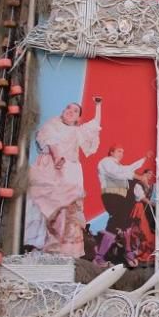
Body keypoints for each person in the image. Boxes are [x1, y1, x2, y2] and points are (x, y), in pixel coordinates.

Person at [26, 99, 101, 257]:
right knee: (45, 206)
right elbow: (46, 140)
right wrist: (56, 156)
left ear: (78, 119)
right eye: (68, 108)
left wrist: (98, 106)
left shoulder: (77, 131)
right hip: (49, 171)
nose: (70, 111)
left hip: (70, 172)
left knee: (68, 210)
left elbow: (94, 125)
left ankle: (66, 251)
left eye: (75, 111)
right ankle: (43, 246)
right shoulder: (52, 124)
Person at [97, 145, 148, 232]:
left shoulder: (119, 165)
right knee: (117, 220)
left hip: (121, 195)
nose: (121, 154)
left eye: (122, 152)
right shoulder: (106, 161)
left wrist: (145, 158)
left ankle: (119, 232)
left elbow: (129, 168)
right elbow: (117, 173)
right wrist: (139, 177)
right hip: (112, 195)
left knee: (121, 221)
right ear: (111, 152)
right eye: (119, 151)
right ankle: (111, 235)